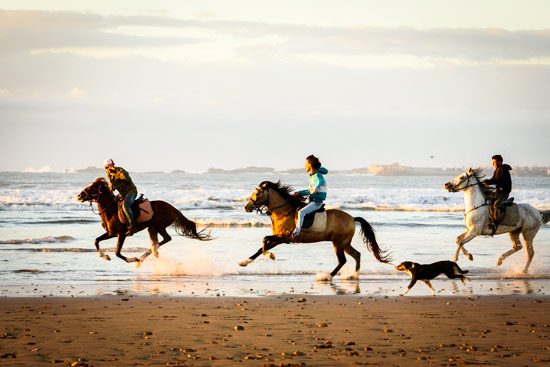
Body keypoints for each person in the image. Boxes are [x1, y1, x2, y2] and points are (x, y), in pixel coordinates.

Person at [290, 155, 328, 240]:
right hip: (312, 200)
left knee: (301, 212)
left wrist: (299, 193)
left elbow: (313, 190)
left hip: (316, 202)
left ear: (310, 165)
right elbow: (312, 191)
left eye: (306, 163)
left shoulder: (317, 175)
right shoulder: (314, 174)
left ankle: (296, 233)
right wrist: (301, 195)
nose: (304, 166)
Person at [104, 159, 138, 236]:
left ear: (112, 165)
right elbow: (112, 184)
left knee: (126, 206)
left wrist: (115, 170)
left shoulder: (120, 170)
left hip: (131, 192)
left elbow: (125, 177)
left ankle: (132, 226)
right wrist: (110, 189)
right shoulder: (109, 174)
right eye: (106, 167)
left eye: (108, 166)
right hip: (123, 194)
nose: (107, 169)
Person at [482, 154, 512, 231]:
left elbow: (499, 180)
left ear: (500, 162)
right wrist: (485, 182)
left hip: (504, 193)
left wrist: (488, 182)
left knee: (496, 205)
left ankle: (495, 223)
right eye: (492, 162)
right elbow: (493, 179)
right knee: (487, 200)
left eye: (494, 162)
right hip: (498, 192)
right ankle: (489, 219)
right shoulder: (497, 170)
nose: (493, 164)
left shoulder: (504, 170)